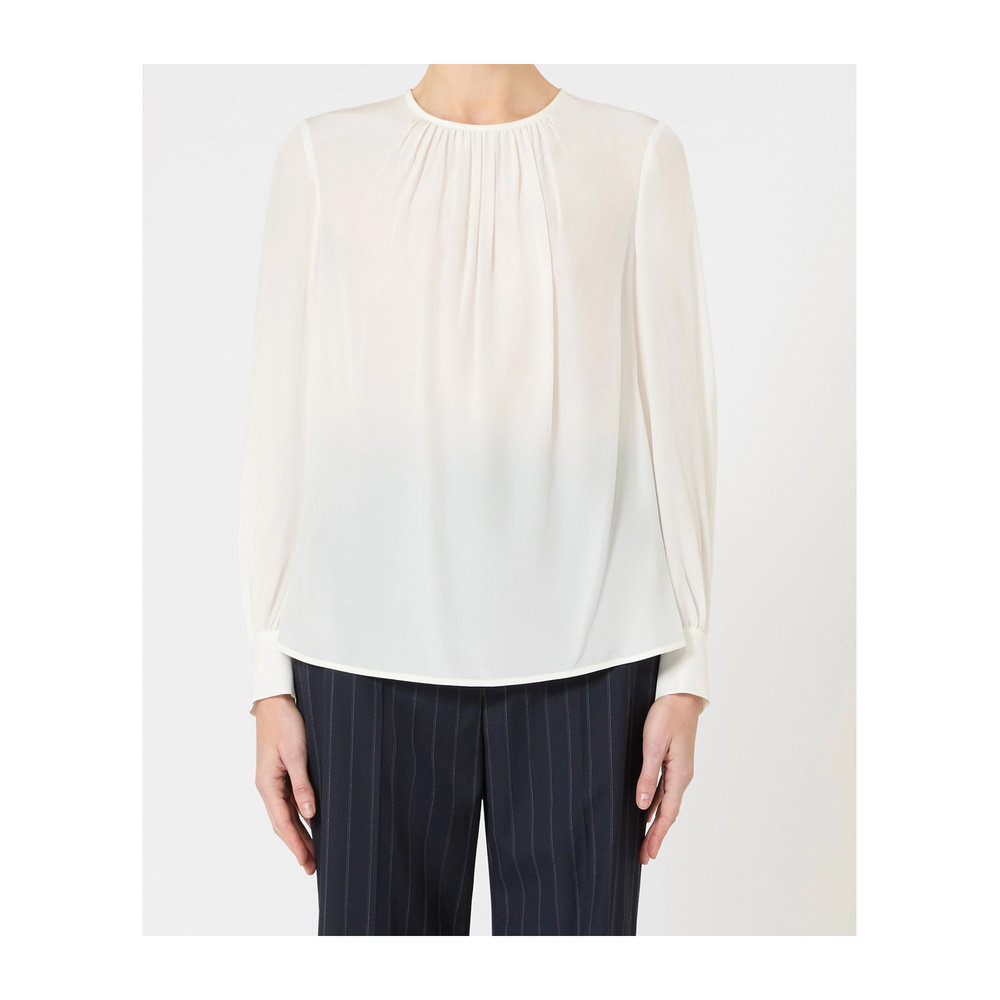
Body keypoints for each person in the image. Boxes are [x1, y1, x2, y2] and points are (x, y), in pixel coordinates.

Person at [239, 64, 718, 935]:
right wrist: (269, 674)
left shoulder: (638, 155)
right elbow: (283, 422)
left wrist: (687, 672)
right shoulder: (321, 157)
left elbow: (677, 420)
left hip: (590, 656)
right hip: (362, 658)